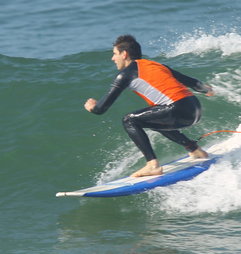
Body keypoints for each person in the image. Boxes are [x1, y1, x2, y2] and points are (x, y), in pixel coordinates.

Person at [84, 35, 215, 177]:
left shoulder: (125, 74)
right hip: (194, 107)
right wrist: (207, 90)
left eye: (115, 54)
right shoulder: (156, 65)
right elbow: (192, 82)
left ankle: (153, 165)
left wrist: (92, 107)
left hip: (177, 110)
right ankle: (195, 150)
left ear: (124, 54)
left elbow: (101, 109)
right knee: (153, 120)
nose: (113, 58)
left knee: (129, 120)